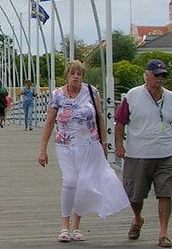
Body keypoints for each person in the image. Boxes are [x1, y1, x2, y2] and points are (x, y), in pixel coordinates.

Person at [38, 60, 129, 243]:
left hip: (89, 144)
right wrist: (43, 150)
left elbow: (100, 117)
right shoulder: (57, 95)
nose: (76, 77)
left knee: (84, 183)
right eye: (73, 73)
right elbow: (49, 122)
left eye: (79, 74)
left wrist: (104, 142)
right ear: (67, 75)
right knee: (70, 181)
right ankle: (64, 225)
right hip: (65, 144)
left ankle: (76, 226)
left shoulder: (91, 91)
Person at [115, 59, 172, 247]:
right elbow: (120, 121)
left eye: (162, 76)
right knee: (134, 194)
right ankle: (138, 218)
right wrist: (119, 145)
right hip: (138, 153)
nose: (159, 79)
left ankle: (163, 233)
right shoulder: (133, 95)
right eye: (156, 75)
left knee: (166, 192)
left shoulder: (170, 97)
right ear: (146, 75)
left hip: (166, 153)